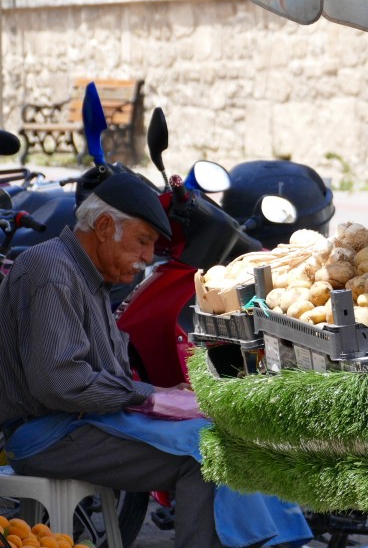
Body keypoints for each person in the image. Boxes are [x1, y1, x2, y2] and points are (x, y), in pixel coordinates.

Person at [0, 173, 311, 548]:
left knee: (229, 432)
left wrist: (164, 395)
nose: (148, 257)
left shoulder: (86, 274)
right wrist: (150, 398)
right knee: (205, 453)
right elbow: (62, 383)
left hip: (82, 422)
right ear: (103, 227)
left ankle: (274, 541)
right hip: (49, 435)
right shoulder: (53, 272)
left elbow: (101, 377)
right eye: (143, 242)